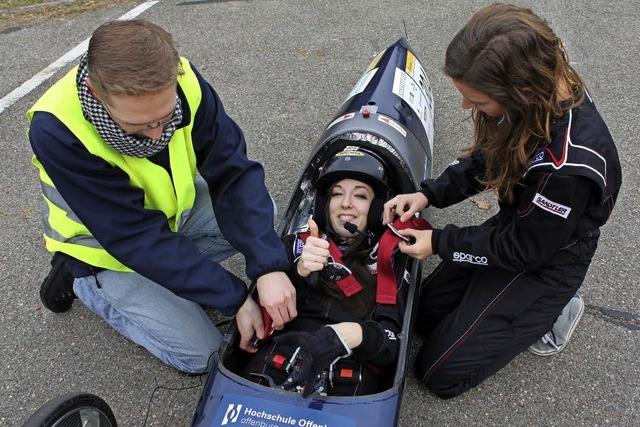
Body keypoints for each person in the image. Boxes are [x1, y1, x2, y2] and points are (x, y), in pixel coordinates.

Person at [27, 19, 296, 374]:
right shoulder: (56, 128)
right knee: (207, 356)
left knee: (261, 217)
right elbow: (135, 237)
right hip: (106, 249)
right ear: (94, 92)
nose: (157, 136)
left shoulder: (184, 80)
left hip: (168, 220)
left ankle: (172, 276)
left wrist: (269, 266)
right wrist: (234, 298)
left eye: (166, 118)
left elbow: (234, 172)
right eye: (140, 126)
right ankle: (86, 284)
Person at [383, 3, 622, 398]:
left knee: (438, 374)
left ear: (519, 90)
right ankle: (511, 307)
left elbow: (525, 250)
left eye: (476, 101)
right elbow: (491, 158)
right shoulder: (537, 97)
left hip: (549, 257)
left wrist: (441, 243)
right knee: (420, 317)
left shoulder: (566, 169)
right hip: (523, 225)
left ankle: (554, 309)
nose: (465, 107)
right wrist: (427, 194)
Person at [238, 146, 424, 396]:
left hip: (350, 365)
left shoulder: (391, 257)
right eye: (336, 194)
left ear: (378, 208)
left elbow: (391, 344)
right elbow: (260, 315)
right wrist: (299, 272)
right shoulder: (296, 244)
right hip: (282, 355)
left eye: (360, 196)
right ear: (325, 204)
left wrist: (350, 336)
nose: (346, 203)